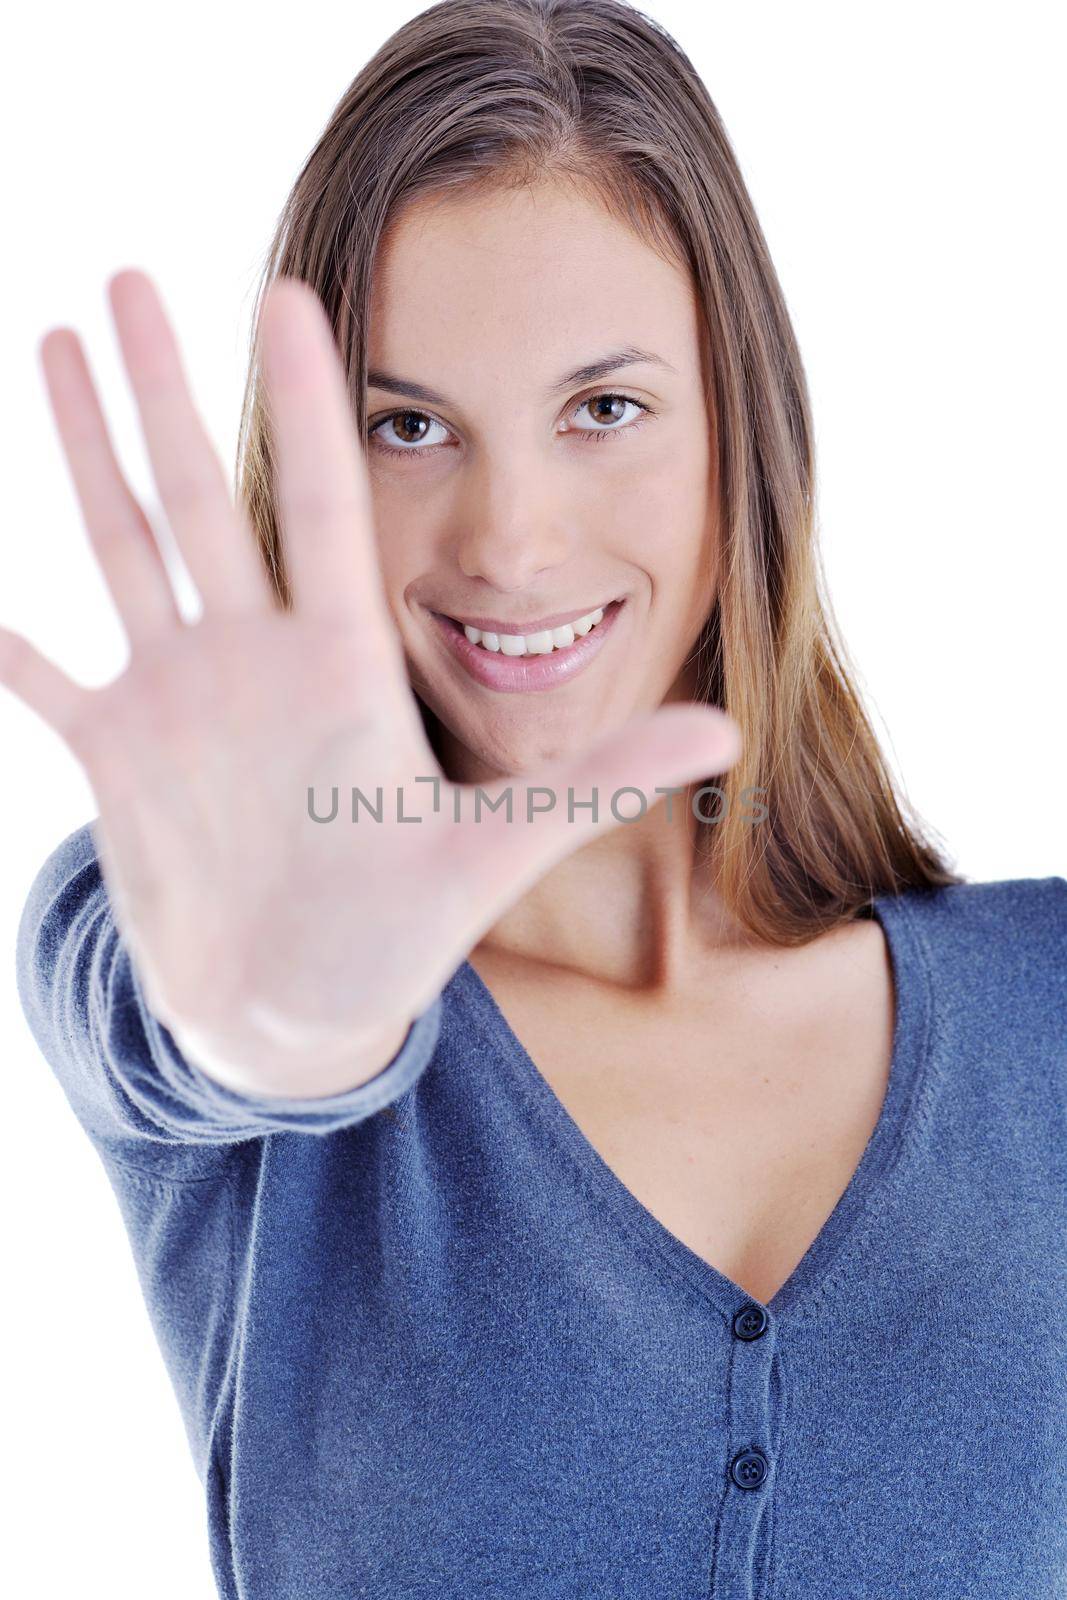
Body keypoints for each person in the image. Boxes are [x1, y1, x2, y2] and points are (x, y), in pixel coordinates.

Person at [6, 0, 1065, 1595]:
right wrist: (276, 1028)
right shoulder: (222, 937)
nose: (508, 538)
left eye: (605, 410)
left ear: (741, 438)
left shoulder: (1043, 1001)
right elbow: (161, 1008)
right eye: (409, 426)